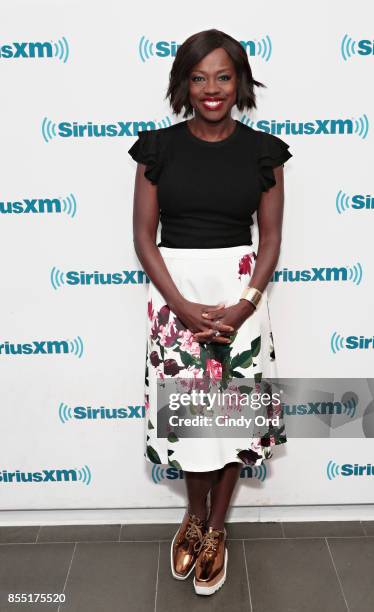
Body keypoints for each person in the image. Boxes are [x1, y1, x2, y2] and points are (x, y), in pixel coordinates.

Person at [128, 28, 292, 596]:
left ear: (239, 81)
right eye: (199, 77)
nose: (212, 88)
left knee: (233, 421)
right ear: (184, 84)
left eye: (223, 76)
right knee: (194, 417)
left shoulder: (264, 150)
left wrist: (245, 304)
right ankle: (192, 518)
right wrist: (182, 306)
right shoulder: (157, 147)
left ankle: (217, 529)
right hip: (176, 296)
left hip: (241, 296)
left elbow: (270, 240)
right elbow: (144, 238)